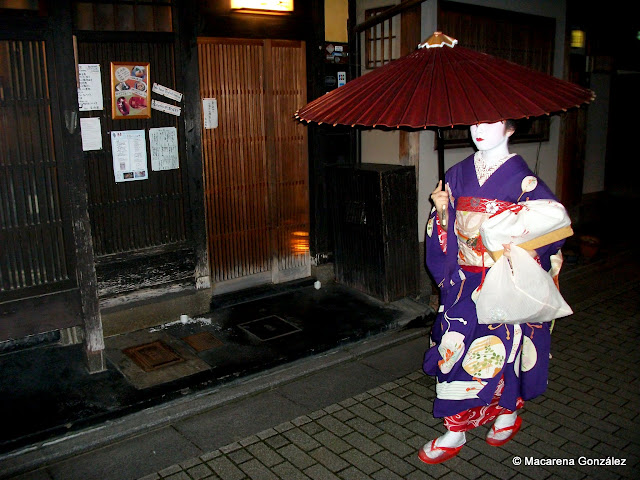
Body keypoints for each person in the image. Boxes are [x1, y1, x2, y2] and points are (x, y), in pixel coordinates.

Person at [419, 119, 566, 464]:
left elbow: (554, 227)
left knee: (508, 352)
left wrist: (515, 247)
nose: (478, 129)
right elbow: (445, 232)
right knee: (456, 348)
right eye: (474, 122)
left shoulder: (525, 181)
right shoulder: (456, 174)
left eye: (491, 122)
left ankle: (508, 413)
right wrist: (441, 211)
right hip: (465, 281)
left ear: (511, 127)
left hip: (506, 279)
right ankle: (456, 429)